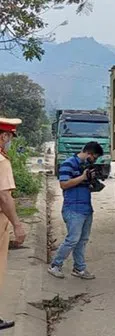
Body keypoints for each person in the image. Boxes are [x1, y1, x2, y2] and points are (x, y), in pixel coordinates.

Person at [47, 141, 104, 280]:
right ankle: (55, 265)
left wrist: (93, 182)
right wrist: (83, 177)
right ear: (88, 153)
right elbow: (64, 184)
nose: (94, 160)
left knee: (82, 240)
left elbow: (85, 186)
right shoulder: (68, 164)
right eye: (94, 157)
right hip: (73, 209)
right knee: (72, 239)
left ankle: (79, 268)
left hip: (86, 208)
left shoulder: (86, 167)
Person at [0, 117, 27, 330]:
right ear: (4, 136)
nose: (9, 141)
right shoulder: (1, 161)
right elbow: (4, 197)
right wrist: (17, 224)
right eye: (9, 137)